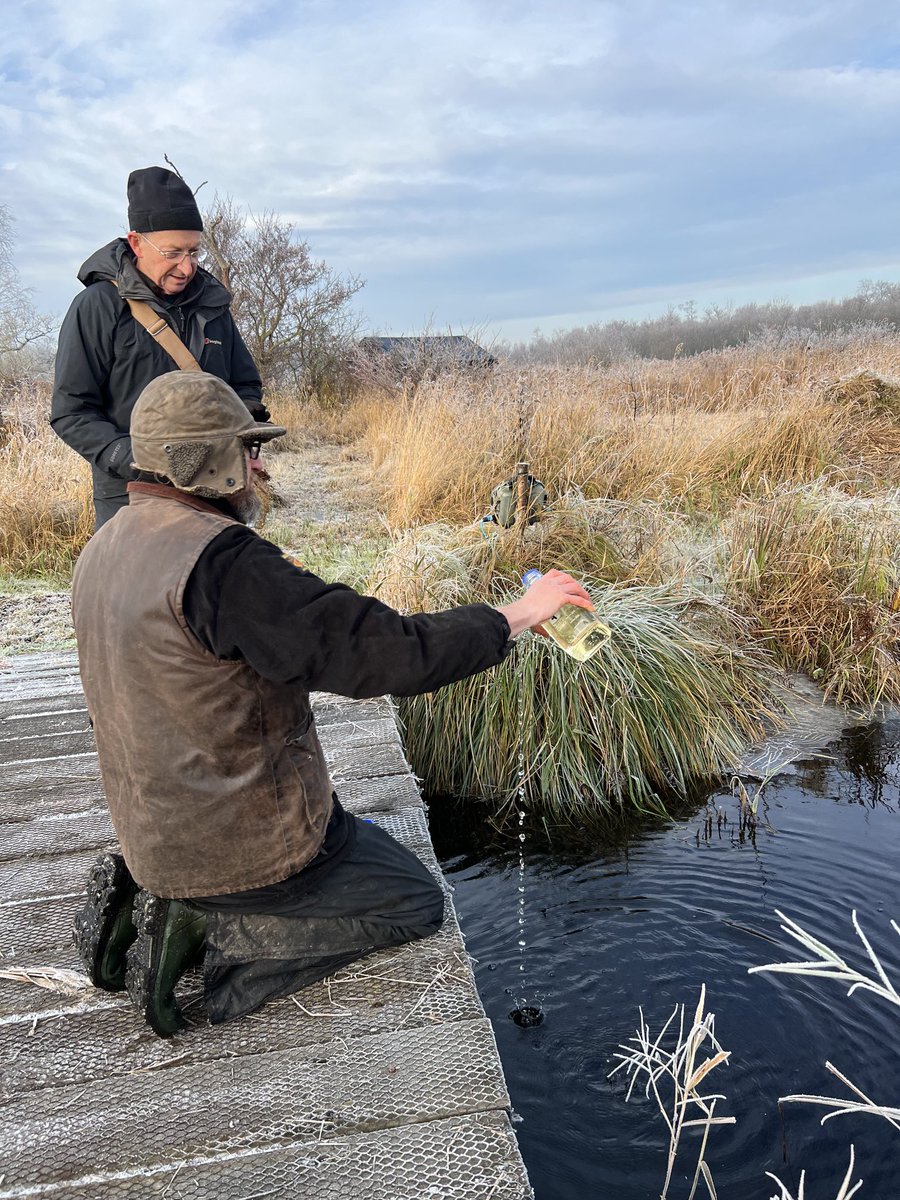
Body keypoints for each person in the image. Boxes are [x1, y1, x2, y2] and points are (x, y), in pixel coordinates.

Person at [71, 371, 595, 1037]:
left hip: (154, 832)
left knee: (361, 838)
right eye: (246, 450)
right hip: (240, 849)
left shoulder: (109, 542)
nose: (258, 464)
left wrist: (268, 586)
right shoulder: (226, 565)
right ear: (205, 463)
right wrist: (519, 614)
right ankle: (223, 942)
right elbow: (385, 651)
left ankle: (154, 895)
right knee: (410, 900)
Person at [51, 166, 265, 529]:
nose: (187, 267)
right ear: (136, 243)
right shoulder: (98, 307)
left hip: (216, 491)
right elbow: (71, 413)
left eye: (195, 252)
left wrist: (238, 440)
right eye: (172, 253)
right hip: (131, 495)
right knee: (135, 585)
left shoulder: (213, 305)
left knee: (211, 583)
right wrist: (142, 459)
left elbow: (245, 386)